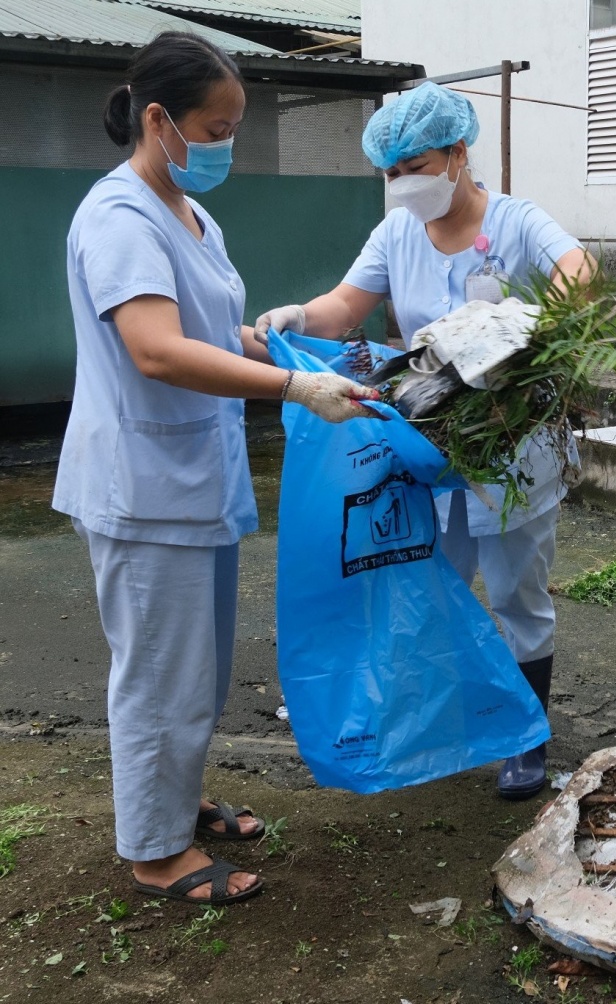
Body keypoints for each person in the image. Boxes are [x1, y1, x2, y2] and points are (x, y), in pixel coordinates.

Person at [52, 32, 379, 906]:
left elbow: (204, 330)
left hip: (194, 471)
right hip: (142, 482)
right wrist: (289, 385)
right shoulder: (120, 218)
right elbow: (156, 351)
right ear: (159, 120)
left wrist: (297, 351)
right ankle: (155, 853)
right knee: (160, 668)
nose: (227, 144)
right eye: (216, 126)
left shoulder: (193, 214)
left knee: (192, 662)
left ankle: (178, 799)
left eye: (236, 127)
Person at [255, 82, 594, 801]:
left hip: (509, 446)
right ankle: (442, 722)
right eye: (391, 170)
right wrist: (295, 313)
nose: (404, 181)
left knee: (517, 594)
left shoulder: (516, 223)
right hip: (426, 443)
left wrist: (526, 330)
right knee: (426, 580)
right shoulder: (397, 233)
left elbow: (579, 272)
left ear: (458, 152)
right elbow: (347, 304)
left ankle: (527, 738)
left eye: (416, 163)